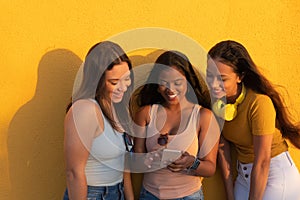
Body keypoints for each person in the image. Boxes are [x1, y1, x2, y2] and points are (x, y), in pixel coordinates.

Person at [206, 40, 300, 200]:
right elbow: (223, 150)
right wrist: (230, 194)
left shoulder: (258, 103)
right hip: (244, 176)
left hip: (273, 175)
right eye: (209, 76)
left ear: (240, 77)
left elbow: (262, 161)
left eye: (222, 78)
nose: (214, 84)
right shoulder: (216, 103)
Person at [133, 50, 220, 200]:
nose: (170, 89)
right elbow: (135, 160)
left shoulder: (203, 116)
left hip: (188, 196)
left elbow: (210, 168)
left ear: (188, 81)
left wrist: (191, 163)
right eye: (163, 83)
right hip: (150, 195)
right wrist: (146, 160)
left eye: (177, 83)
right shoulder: (146, 113)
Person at [63, 41, 134, 200]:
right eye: (114, 82)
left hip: (118, 191)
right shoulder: (85, 110)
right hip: (92, 194)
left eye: (127, 79)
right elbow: (74, 173)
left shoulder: (118, 107)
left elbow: (124, 166)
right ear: (97, 80)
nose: (123, 87)